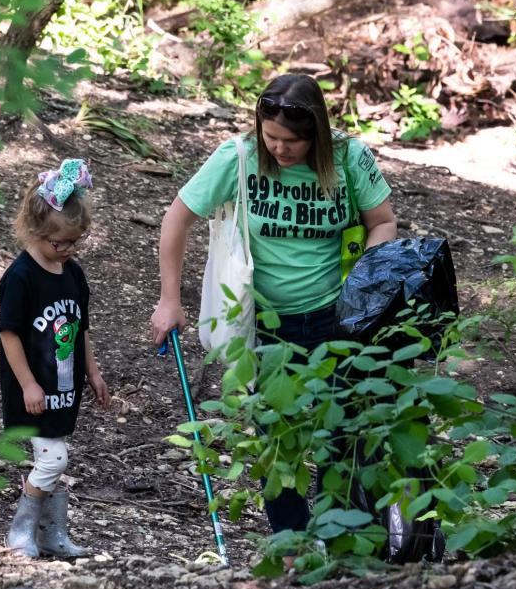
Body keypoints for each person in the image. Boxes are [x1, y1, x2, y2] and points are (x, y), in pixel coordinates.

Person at [149, 74, 397, 534]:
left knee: (344, 432)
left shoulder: (349, 158)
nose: (281, 149)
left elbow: (381, 222)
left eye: (293, 141)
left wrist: (366, 277)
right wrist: (169, 299)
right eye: (272, 137)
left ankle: (338, 534)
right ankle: (292, 542)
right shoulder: (238, 157)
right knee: (277, 438)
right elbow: (176, 219)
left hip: (336, 316)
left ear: (316, 135)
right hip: (264, 320)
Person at [0, 158, 110, 558]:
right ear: (34, 231)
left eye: (75, 242)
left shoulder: (73, 274)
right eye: (58, 243)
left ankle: (52, 536)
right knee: (54, 460)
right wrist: (28, 382)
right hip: (34, 389)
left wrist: (93, 373)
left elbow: (81, 329)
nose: (66, 249)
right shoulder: (21, 277)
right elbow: (9, 334)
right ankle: (20, 532)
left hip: (64, 387)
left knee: (55, 461)